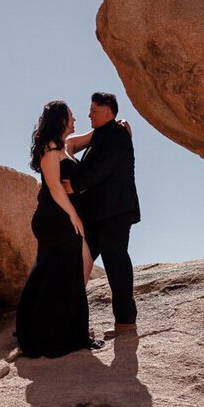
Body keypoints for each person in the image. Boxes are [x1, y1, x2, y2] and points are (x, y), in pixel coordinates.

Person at [15, 101, 103, 357]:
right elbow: (54, 186)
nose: (75, 119)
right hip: (55, 216)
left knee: (69, 267)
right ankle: (60, 331)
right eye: (71, 116)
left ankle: (61, 325)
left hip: (61, 215)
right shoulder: (50, 149)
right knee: (74, 265)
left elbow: (90, 137)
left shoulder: (66, 145)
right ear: (61, 120)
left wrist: (115, 125)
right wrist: (74, 216)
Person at [66, 91, 140, 331]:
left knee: (115, 262)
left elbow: (104, 168)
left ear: (108, 111)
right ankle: (71, 320)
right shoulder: (101, 134)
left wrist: (74, 185)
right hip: (97, 215)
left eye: (94, 111)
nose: (89, 115)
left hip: (114, 212)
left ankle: (125, 321)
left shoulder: (117, 135)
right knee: (79, 263)